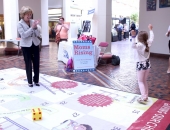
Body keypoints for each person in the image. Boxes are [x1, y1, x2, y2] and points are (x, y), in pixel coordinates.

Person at [17, 6, 40, 87]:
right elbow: (23, 35)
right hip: (26, 46)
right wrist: (32, 28)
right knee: (28, 63)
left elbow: (37, 34)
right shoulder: (20, 24)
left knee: (36, 63)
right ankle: (30, 81)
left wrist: (36, 27)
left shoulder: (33, 21)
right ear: (23, 15)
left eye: (30, 14)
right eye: (27, 14)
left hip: (35, 44)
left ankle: (36, 80)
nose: (29, 16)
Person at [131, 24, 154, 104]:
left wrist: (133, 37)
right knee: (144, 81)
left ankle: (143, 97)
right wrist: (150, 29)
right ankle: (146, 96)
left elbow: (133, 46)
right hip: (147, 64)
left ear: (139, 38)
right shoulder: (148, 43)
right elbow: (152, 37)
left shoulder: (140, 45)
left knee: (140, 81)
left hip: (141, 65)